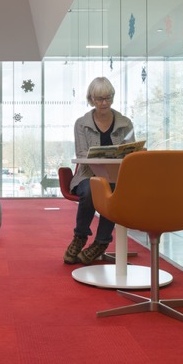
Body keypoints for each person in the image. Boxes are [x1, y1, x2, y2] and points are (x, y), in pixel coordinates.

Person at [63, 76, 135, 266]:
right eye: (99, 99)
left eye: (108, 98)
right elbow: (81, 154)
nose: (104, 103)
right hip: (88, 174)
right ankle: (80, 236)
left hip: (116, 176)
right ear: (91, 99)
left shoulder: (125, 123)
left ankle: (101, 242)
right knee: (90, 191)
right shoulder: (81, 123)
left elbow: (131, 153)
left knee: (112, 190)